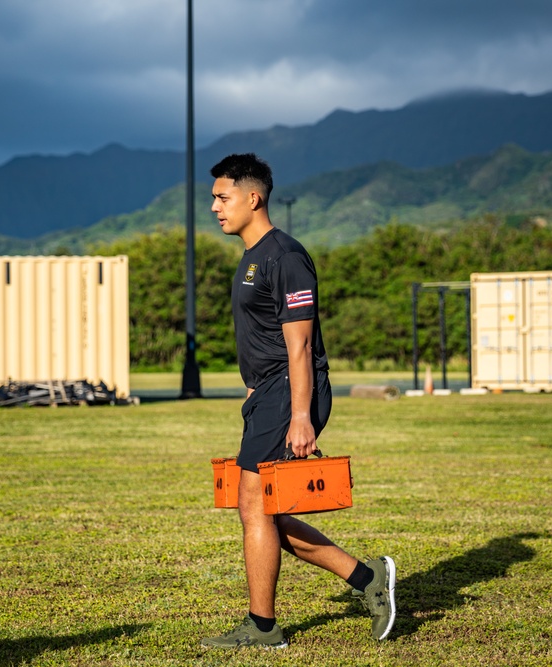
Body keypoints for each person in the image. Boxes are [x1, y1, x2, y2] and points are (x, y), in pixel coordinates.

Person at [201, 153, 396, 650]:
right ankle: (366, 578)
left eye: (222, 197)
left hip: (291, 392)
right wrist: (252, 393)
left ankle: (264, 627)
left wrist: (302, 416)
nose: (214, 207)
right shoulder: (251, 257)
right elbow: (261, 337)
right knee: (262, 510)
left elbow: (301, 345)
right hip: (267, 393)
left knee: (255, 508)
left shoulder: (284, 256)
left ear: (253, 197)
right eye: (214, 198)